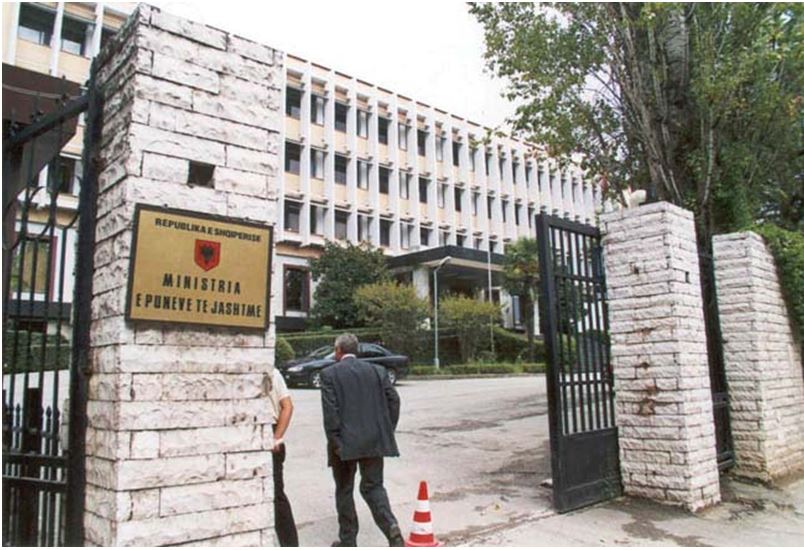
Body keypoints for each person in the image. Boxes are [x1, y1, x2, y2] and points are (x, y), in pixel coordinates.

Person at [320, 333, 404, 547]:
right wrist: (386, 430)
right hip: (373, 440)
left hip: (344, 443)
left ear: (338, 351)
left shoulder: (329, 374)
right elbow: (394, 400)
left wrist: (335, 442)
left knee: (344, 490)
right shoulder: (377, 371)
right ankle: (391, 527)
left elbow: (331, 413)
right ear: (355, 350)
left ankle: (348, 540)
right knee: (373, 487)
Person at [266, 366, 299, 547]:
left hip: (269, 430)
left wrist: (276, 437)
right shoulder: (273, 372)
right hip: (266, 432)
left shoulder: (272, 373)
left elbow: (287, 406)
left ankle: (290, 544)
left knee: (276, 493)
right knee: (276, 494)